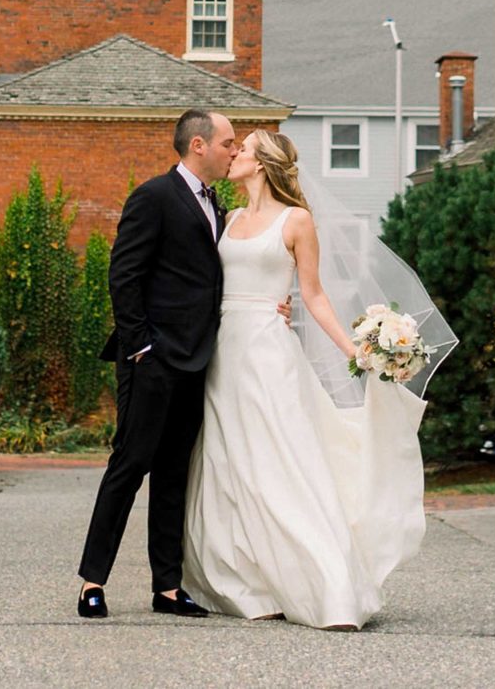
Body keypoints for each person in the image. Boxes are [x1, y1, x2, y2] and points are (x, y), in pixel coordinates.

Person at [182, 128, 426, 629]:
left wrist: (357, 351)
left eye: (242, 149)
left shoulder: (298, 221)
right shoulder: (226, 220)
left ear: (264, 163)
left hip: (270, 352)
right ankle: (248, 581)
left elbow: (313, 295)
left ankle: (324, 583)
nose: (233, 155)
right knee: (229, 461)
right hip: (224, 349)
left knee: (281, 458)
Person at [76, 108, 237, 619]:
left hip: (197, 361)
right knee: (129, 467)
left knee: (173, 474)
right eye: (229, 142)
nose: (235, 151)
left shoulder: (217, 203)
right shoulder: (153, 196)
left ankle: (167, 587)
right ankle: (91, 582)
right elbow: (124, 274)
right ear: (198, 146)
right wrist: (140, 346)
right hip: (152, 360)